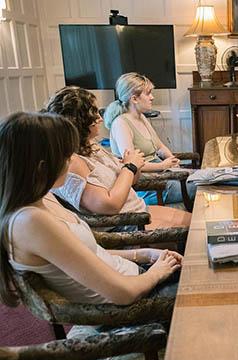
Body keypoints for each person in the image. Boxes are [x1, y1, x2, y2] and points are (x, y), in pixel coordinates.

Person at [0, 112, 182, 308]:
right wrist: (158, 271)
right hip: (131, 304)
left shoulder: (43, 198)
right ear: (42, 167)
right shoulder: (30, 221)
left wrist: (146, 255)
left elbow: (92, 254)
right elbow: (124, 294)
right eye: (67, 155)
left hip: (139, 276)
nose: (72, 160)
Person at [45, 86, 191, 231]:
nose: (100, 119)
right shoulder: (72, 163)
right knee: (197, 231)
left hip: (139, 210)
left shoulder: (91, 145)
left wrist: (134, 167)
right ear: (79, 121)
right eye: (94, 113)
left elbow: (130, 181)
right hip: (127, 225)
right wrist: (130, 167)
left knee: (199, 222)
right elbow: (110, 205)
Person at [103, 72, 182, 205]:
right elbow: (131, 164)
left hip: (163, 176)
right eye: (148, 93)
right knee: (201, 186)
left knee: (206, 179)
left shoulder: (141, 117)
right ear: (134, 99)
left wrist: (173, 161)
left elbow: (160, 147)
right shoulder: (121, 124)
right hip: (151, 188)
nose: (152, 97)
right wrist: (162, 165)